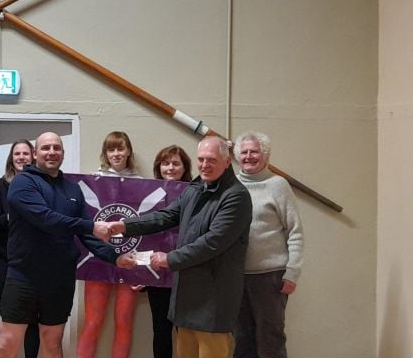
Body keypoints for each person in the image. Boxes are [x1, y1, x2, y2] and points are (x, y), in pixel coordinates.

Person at [0, 132, 136, 358]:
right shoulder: (22, 183)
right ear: (34, 153)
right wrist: (91, 226)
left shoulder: (73, 189)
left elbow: (85, 235)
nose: (51, 152)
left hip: (60, 279)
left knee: (52, 342)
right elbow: (46, 219)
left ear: (63, 153)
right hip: (23, 276)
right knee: (7, 343)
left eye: (56, 148)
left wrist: (115, 257)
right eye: (45, 148)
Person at [109, 136, 253, 358]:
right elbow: (166, 216)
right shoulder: (196, 187)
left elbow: (212, 242)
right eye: (201, 159)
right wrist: (123, 226)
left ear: (227, 162)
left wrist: (169, 259)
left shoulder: (236, 196)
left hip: (214, 302)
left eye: (211, 160)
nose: (204, 165)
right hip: (186, 298)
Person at [233, 131, 304, 358]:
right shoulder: (231, 186)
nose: (249, 156)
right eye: (244, 152)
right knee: (241, 340)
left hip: (270, 277)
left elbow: (295, 232)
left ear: (266, 155)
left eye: (255, 151)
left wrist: (292, 273)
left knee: (269, 340)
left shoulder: (278, 185)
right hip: (236, 277)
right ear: (236, 156)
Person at [78, 131, 142, 358]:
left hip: (129, 261)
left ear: (128, 151)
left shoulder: (142, 185)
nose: (116, 153)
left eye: (120, 148)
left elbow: (148, 229)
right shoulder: (92, 181)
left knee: (124, 323)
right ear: (105, 153)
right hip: (97, 261)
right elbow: (83, 223)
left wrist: (145, 271)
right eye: (111, 149)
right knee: (93, 322)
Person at [0, 139, 39, 357]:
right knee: (5, 316)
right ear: (11, 157)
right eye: (17, 153)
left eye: (26, 153)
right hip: (4, 261)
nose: (21, 157)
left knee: (32, 318)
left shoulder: (41, 184)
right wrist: (13, 216)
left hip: (33, 263)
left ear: (33, 156)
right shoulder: (0, 186)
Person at [145, 145, 193, 358]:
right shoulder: (145, 194)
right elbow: (142, 235)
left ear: (185, 167)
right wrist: (139, 274)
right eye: (166, 163)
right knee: (161, 331)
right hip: (157, 274)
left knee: (186, 333)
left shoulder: (197, 193)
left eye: (176, 163)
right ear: (158, 167)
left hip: (187, 274)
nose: (170, 168)